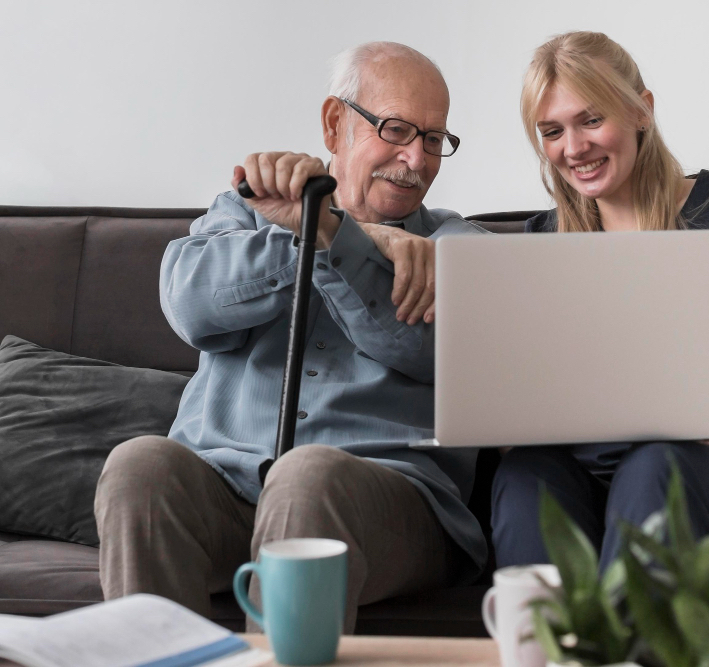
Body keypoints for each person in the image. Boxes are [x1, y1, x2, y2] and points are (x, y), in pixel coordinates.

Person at [94, 41, 489, 633]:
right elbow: (188, 306)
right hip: (224, 489)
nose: (417, 159)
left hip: (386, 506)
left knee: (306, 476)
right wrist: (318, 237)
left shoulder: (458, 249)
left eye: (433, 139)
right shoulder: (249, 210)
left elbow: (418, 347)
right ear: (336, 123)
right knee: (139, 465)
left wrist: (333, 236)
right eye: (398, 129)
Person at [491, 31, 709, 576]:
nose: (574, 148)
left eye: (591, 120)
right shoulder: (541, 246)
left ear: (641, 111)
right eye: (552, 131)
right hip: (598, 480)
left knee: (655, 466)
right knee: (522, 480)